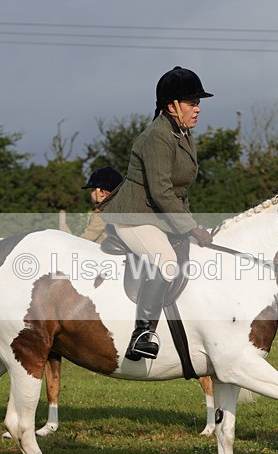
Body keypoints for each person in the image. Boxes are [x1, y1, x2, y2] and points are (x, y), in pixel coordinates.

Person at [102, 66, 214, 361]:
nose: (198, 109)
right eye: (192, 103)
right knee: (166, 261)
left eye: (198, 103)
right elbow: (162, 192)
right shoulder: (157, 136)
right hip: (135, 217)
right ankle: (141, 334)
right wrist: (190, 227)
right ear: (172, 106)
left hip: (157, 217)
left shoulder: (182, 134)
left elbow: (180, 192)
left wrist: (191, 224)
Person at [80, 166, 123, 243]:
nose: (90, 193)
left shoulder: (101, 214)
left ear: (102, 193)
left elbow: (87, 238)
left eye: (92, 190)